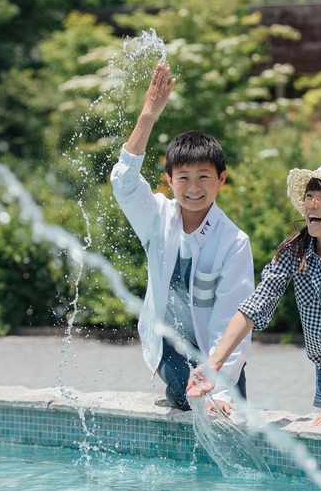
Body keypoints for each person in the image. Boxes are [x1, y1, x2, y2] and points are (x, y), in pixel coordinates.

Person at [187, 162, 321, 426]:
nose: (313, 202)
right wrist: (213, 366)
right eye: (310, 195)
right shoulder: (294, 252)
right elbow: (255, 306)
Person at [110, 63, 255, 414]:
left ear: (221, 179)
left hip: (214, 350)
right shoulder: (157, 218)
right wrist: (148, 115)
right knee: (188, 399)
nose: (193, 188)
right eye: (184, 177)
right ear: (169, 180)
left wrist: (221, 391)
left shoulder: (233, 242)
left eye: (204, 176)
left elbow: (232, 319)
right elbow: (124, 183)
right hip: (169, 342)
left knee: (229, 413)